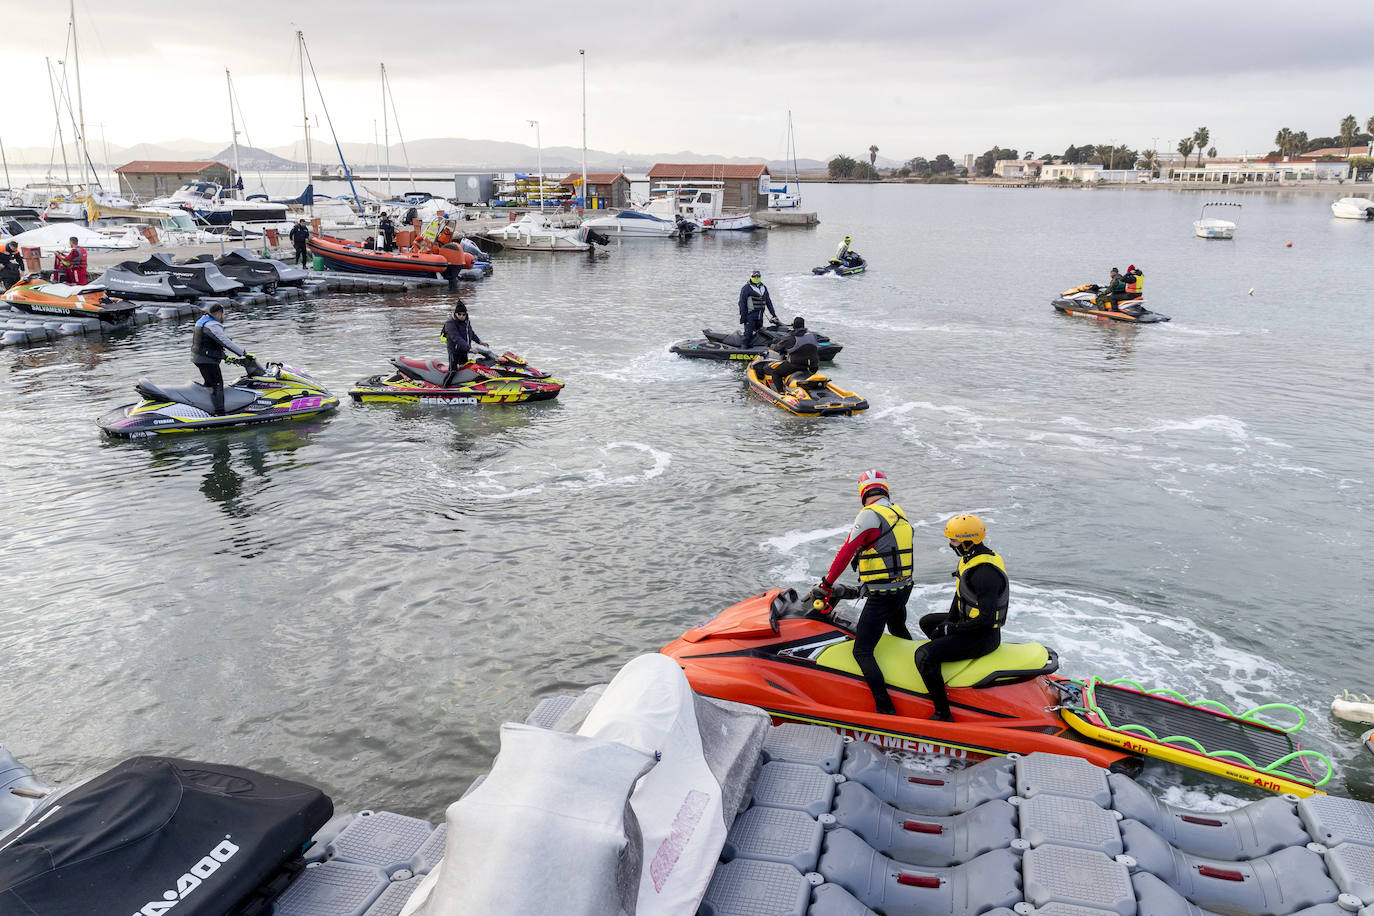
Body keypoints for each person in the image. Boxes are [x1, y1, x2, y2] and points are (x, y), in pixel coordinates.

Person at [810, 470, 915, 715]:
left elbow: (846, 552)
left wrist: (826, 585)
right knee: (899, 631)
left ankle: (885, 709)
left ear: (863, 492)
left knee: (862, 651)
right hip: (904, 589)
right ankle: (915, 679)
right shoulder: (898, 512)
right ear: (884, 490)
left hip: (883, 596)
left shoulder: (869, 515)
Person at [912, 514, 1009, 722]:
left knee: (924, 655)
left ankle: (943, 713)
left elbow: (986, 618)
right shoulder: (970, 559)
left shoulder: (985, 572)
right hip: (969, 625)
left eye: (954, 540)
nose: (950, 544)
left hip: (983, 636)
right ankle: (944, 668)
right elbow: (960, 597)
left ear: (968, 541)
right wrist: (949, 621)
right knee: (927, 622)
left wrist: (953, 630)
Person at [191, 303, 250, 416]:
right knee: (218, 385)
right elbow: (225, 341)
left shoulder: (202, 321)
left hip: (199, 358)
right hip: (207, 360)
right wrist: (243, 353)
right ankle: (220, 413)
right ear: (218, 313)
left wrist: (225, 357)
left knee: (209, 384)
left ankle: (206, 410)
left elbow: (208, 343)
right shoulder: (212, 324)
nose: (223, 317)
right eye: (223, 314)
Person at [440, 300, 494, 388]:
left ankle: (463, 387)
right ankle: (444, 388)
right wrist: (469, 348)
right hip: (454, 351)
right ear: (455, 314)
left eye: (463, 314)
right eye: (459, 314)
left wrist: (480, 342)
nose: (462, 316)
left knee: (465, 369)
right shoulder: (450, 323)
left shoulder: (466, 322)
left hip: (464, 350)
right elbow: (456, 338)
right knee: (453, 371)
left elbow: (471, 333)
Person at [766, 317, 820, 392]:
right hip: (813, 366)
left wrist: (771, 345)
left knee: (776, 373)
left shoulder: (790, 338)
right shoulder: (813, 335)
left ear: (794, 326)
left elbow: (777, 348)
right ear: (803, 325)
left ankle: (781, 393)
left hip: (796, 365)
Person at [737, 269, 778, 348]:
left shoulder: (764, 288)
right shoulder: (746, 288)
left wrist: (773, 314)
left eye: (758, 276)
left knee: (760, 334)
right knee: (748, 335)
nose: (756, 278)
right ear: (751, 277)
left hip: (760, 316)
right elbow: (742, 303)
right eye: (754, 276)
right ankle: (743, 350)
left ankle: (756, 350)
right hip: (750, 316)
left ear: (760, 277)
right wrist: (743, 316)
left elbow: (768, 302)